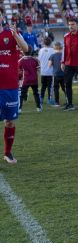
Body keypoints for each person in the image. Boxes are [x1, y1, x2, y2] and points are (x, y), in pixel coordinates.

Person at [0, 15, 31, 163]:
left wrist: (16, 35)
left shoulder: (10, 34)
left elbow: (26, 49)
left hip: (10, 86)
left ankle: (7, 152)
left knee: (10, 121)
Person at [18, 47, 41, 112]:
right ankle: (38, 108)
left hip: (26, 80)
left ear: (23, 51)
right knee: (36, 93)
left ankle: (19, 109)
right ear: (31, 52)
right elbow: (38, 70)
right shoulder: (35, 60)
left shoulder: (20, 61)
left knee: (22, 94)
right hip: (34, 80)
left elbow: (19, 71)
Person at [37, 37, 55, 105]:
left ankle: (41, 98)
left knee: (43, 86)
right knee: (50, 87)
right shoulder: (53, 50)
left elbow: (39, 60)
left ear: (44, 43)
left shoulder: (41, 50)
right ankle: (49, 99)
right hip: (50, 72)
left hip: (43, 71)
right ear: (50, 42)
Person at [47, 42, 65, 106]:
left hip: (56, 74)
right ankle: (68, 100)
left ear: (54, 48)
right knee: (65, 88)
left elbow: (49, 65)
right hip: (63, 74)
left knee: (56, 89)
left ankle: (57, 102)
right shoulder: (63, 55)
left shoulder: (52, 55)